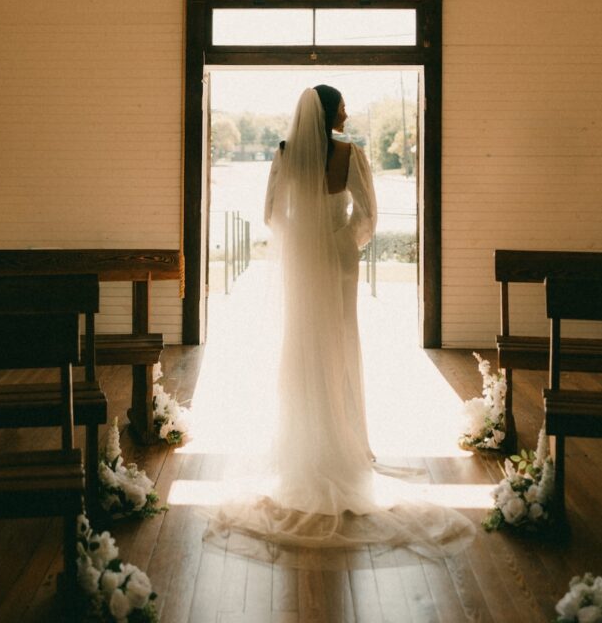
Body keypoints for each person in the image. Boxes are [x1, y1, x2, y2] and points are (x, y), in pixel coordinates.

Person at [202, 85, 475, 567]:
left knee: (302, 344)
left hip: (304, 264)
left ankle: (303, 437)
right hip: (342, 264)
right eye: (343, 105)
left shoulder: (285, 154)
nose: (348, 111)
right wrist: (343, 239)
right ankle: (349, 440)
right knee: (342, 343)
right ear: (329, 112)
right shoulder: (351, 155)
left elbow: (271, 214)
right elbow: (368, 213)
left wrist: (303, 239)